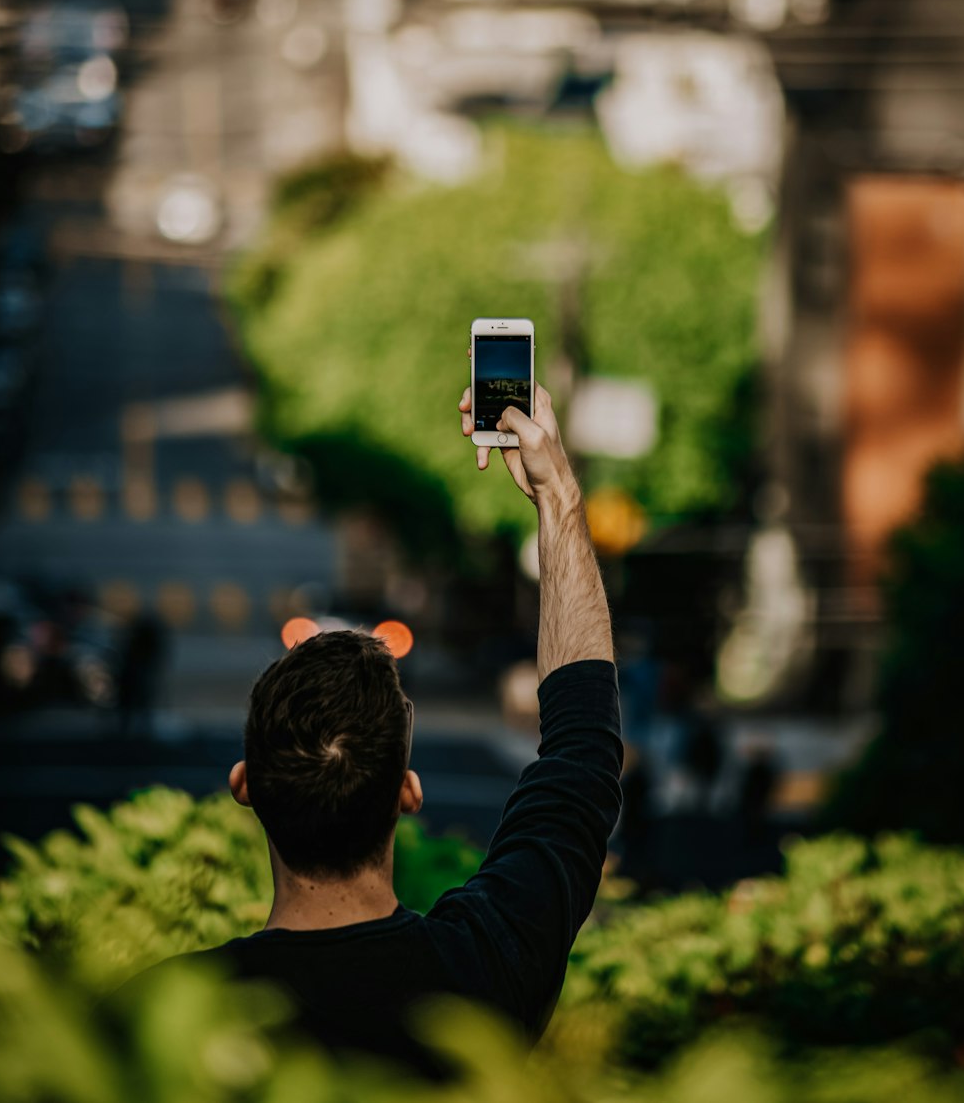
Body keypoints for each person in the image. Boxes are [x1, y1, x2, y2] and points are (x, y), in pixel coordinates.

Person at [128, 383, 622, 1076]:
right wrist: (559, 496)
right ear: (407, 792)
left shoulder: (162, 1021)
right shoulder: (484, 974)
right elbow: (583, 750)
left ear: (246, 785)